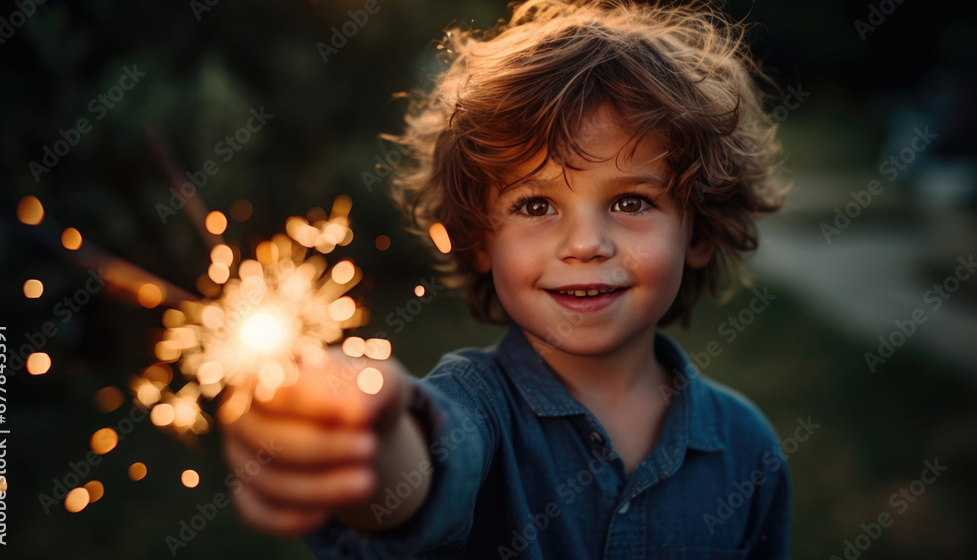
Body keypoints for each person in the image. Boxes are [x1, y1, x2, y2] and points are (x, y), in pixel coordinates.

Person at [221, 0, 791, 557]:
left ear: (699, 234)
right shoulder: (475, 407)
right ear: (478, 241)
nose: (586, 244)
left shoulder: (749, 450)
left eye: (631, 201)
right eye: (537, 206)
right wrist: (369, 444)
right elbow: (428, 468)